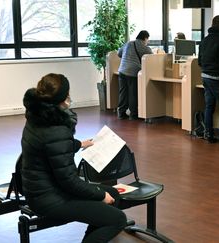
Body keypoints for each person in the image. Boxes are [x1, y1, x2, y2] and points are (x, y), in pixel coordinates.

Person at [21, 73, 127, 243]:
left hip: (39, 191)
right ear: (63, 99)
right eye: (68, 94)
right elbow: (69, 181)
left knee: (113, 194)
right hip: (51, 199)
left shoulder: (36, 117)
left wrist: (77, 144)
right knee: (118, 218)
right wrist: (99, 195)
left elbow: (50, 147)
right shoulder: (57, 130)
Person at [198, 15, 219, 143]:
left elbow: (200, 61)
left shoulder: (204, 40)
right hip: (217, 78)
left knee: (209, 106)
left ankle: (208, 133)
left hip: (205, 77)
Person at [117, 30, 153, 120]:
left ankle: (121, 113)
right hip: (132, 72)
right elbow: (151, 56)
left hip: (122, 71)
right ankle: (133, 115)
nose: (147, 41)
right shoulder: (143, 46)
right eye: (147, 39)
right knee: (133, 93)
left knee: (123, 93)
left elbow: (119, 53)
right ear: (145, 38)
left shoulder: (128, 43)